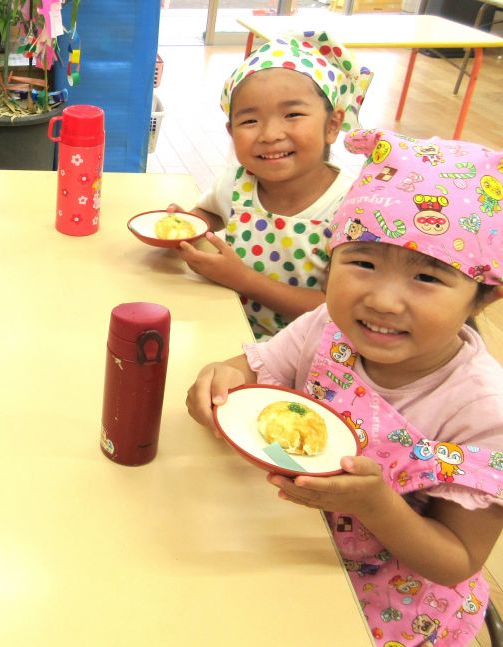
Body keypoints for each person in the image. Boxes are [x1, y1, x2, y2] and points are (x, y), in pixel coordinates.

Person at [186, 129, 503, 646]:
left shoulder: (482, 409)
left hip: (397, 604)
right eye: (362, 263)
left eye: (427, 278)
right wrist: (220, 381)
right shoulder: (325, 328)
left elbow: (457, 560)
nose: (382, 300)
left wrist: (375, 505)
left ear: (483, 296)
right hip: (289, 543)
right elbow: (250, 367)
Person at [167, 32, 372, 339]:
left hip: (304, 357)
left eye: (293, 115)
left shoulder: (352, 207)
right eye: (250, 121)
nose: (270, 134)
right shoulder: (236, 184)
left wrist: (244, 280)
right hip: (226, 330)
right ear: (231, 130)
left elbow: (336, 311)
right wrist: (183, 225)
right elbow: (208, 215)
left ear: (332, 125)